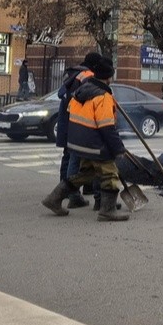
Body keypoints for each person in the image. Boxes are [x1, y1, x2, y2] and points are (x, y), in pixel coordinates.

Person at [41, 56, 129, 222]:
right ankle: (107, 211)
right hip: (94, 144)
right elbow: (106, 127)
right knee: (110, 174)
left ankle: (53, 199)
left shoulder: (81, 92)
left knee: (86, 173)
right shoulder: (102, 96)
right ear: (108, 77)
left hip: (77, 143)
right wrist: (118, 149)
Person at [55, 51, 105, 210]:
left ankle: (66, 191)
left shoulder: (73, 74)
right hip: (78, 123)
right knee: (76, 157)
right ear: (95, 65)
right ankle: (73, 194)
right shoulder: (87, 77)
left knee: (69, 156)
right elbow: (87, 100)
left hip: (67, 122)